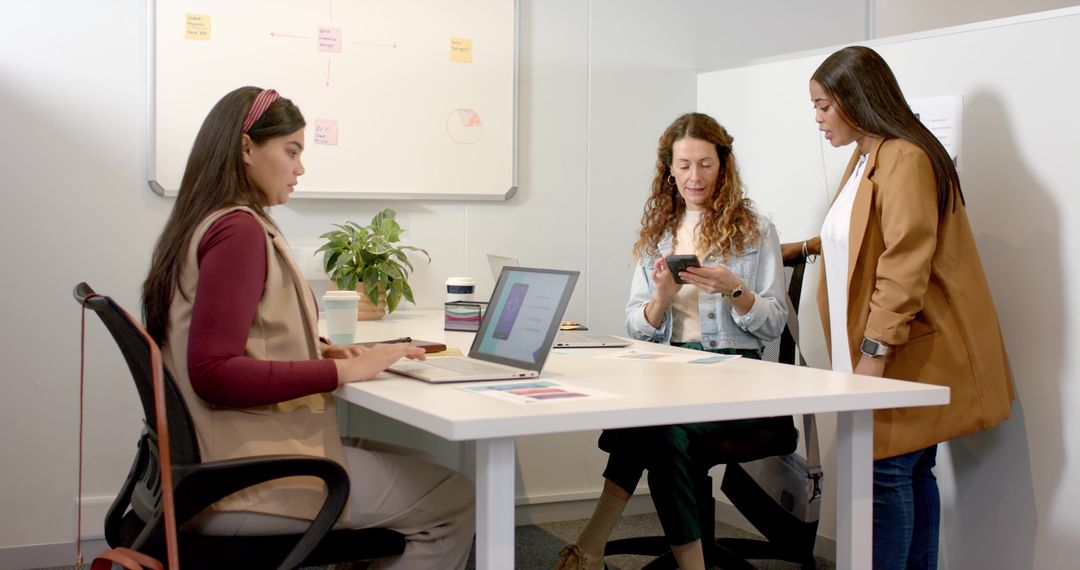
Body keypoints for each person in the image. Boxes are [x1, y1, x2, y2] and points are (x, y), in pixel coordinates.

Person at [141, 86, 475, 569]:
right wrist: (344, 373)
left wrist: (317, 353)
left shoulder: (207, 223)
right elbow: (212, 371)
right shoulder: (240, 232)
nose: (300, 168)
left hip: (208, 465)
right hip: (241, 480)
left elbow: (239, 337)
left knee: (417, 466)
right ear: (247, 148)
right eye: (291, 151)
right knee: (455, 497)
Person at [784, 46, 1013, 569]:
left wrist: (875, 350)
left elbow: (905, 260)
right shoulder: (870, 153)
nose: (817, 118)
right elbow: (858, 236)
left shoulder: (904, 156)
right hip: (885, 353)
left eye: (823, 106)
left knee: (884, 474)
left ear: (855, 99)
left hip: (897, 353)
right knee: (906, 472)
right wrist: (797, 250)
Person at [555, 113, 788, 570]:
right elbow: (636, 326)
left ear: (724, 165)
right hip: (671, 371)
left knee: (660, 430)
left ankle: (593, 545)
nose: (694, 177)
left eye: (705, 164)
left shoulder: (756, 230)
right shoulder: (660, 232)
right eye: (683, 165)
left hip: (735, 375)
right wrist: (660, 299)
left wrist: (733, 288)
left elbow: (774, 324)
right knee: (649, 422)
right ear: (669, 168)